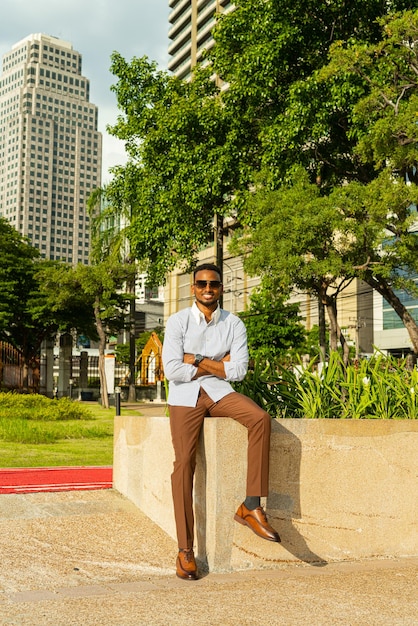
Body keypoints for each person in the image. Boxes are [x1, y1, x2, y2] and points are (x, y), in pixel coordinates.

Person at [162, 263, 280, 581]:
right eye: (201, 283)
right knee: (184, 465)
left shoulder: (234, 324)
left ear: (221, 287)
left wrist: (197, 359)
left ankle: (251, 505)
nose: (207, 288)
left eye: (213, 283)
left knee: (260, 419)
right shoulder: (177, 323)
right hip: (184, 397)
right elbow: (173, 370)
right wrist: (218, 363)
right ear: (193, 288)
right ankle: (186, 551)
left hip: (218, 394)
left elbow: (238, 371)